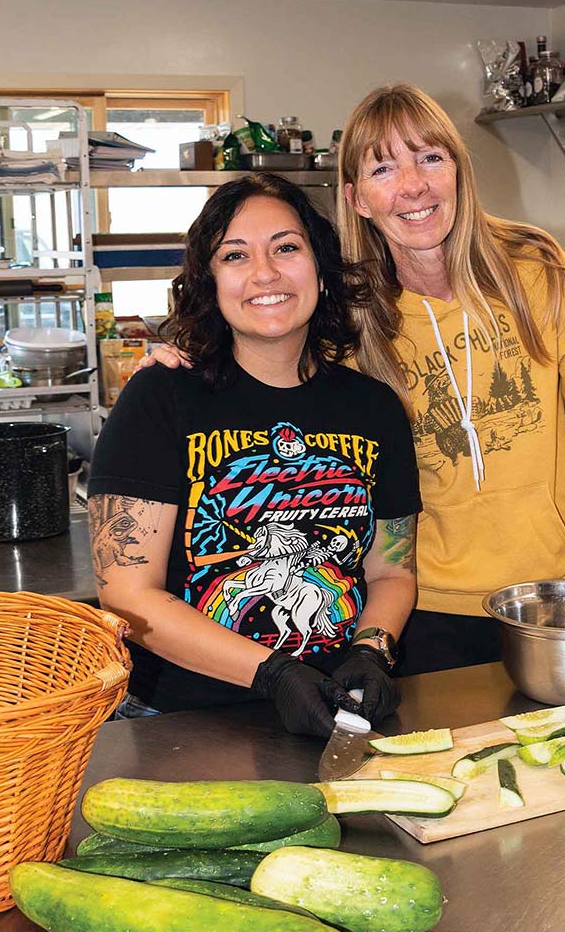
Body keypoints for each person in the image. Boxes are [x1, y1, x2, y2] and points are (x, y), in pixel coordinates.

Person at [143, 85, 565, 672]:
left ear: (459, 169)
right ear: (356, 199)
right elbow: (263, 353)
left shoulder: (537, 268)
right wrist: (188, 349)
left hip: (545, 599)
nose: (413, 186)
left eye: (431, 158)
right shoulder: (346, 309)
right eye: (384, 168)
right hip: (411, 613)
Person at [89, 173, 421, 737]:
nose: (265, 273)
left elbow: (391, 568)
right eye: (235, 255)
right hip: (184, 722)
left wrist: (371, 651)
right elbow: (125, 593)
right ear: (209, 281)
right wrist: (270, 673)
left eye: (286, 248)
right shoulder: (162, 396)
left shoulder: (374, 408)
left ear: (320, 266)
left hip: (341, 710)